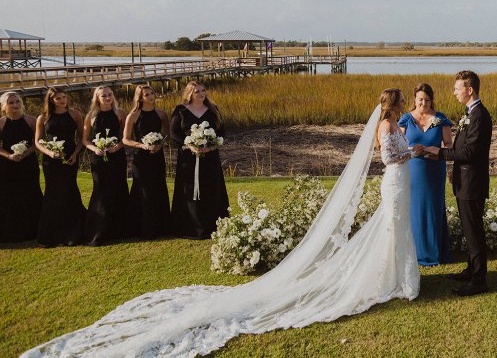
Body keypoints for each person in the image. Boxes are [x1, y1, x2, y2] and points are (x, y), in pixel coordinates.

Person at [22, 90, 420, 357]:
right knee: (390, 225)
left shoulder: (393, 124)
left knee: (393, 227)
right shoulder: (387, 126)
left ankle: (395, 274)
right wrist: (412, 151)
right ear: (393, 105)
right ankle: (389, 276)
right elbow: (386, 158)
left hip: (397, 182)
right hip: (395, 179)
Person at [423, 70, 492, 296]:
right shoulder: (469, 113)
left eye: (457, 88)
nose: (454, 92)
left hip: (472, 183)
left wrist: (441, 153)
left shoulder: (480, 115)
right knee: (469, 228)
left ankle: (479, 279)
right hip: (464, 180)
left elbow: (470, 152)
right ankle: (472, 269)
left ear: (469, 90)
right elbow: (463, 147)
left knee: (474, 231)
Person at [399, 83, 453, 266]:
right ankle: (415, 252)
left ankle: (435, 252)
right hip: (413, 170)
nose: (424, 103)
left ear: (432, 100)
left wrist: (437, 150)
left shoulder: (440, 119)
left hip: (435, 170)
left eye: (427, 99)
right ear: (414, 99)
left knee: (433, 208)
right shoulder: (406, 119)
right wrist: (412, 149)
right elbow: (398, 146)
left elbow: (449, 144)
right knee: (414, 209)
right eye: (420, 99)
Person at [170, 81, 228, 239]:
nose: (201, 93)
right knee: (189, 190)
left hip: (210, 157)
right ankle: (190, 226)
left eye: (203, 90)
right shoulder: (180, 110)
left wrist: (211, 146)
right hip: (188, 158)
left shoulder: (213, 109)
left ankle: (213, 225)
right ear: (190, 93)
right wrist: (190, 145)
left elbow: (221, 131)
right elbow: (174, 133)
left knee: (210, 188)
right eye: (197, 91)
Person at [34, 87, 86, 247]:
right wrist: (49, 153)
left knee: (70, 190)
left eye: (64, 97)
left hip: (70, 157)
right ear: (51, 100)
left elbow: (81, 139)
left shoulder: (75, 114)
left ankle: (73, 232)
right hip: (51, 160)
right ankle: (52, 234)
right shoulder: (43, 117)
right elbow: (37, 142)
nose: (63, 101)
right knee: (53, 194)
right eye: (58, 98)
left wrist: (76, 154)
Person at [82, 86, 129, 246]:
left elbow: (127, 136)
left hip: (117, 157)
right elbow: (85, 140)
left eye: (110, 95)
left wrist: (117, 147)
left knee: (119, 189)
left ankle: (120, 230)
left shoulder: (120, 113)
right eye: (104, 96)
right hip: (99, 159)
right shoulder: (91, 116)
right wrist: (95, 148)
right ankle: (99, 230)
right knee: (101, 191)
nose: (108, 98)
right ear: (97, 98)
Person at [123, 84, 171, 239]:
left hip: (157, 157)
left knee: (158, 187)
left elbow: (168, 136)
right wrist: (142, 145)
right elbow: (125, 139)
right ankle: (140, 227)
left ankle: (161, 226)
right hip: (140, 158)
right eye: (147, 95)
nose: (151, 96)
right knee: (142, 189)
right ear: (140, 98)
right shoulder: (133, 115)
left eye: (152, 93)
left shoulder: (161, 114)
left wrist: (160, 145)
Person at [0, 91, 42, 242]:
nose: (15, 105)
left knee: (31, 193)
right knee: (10, 196)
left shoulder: (31, 120)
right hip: (7, 165)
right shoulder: (1, 122)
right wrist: (9, 155)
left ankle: (35, 230)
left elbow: (37, 142)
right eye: (11, 103)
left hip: (28, 164)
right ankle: (12, 231)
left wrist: (27, 152)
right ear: (4, 106)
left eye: (17, 102)